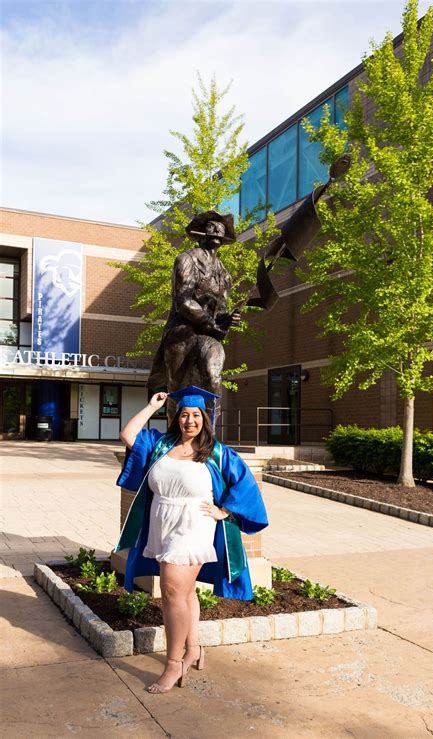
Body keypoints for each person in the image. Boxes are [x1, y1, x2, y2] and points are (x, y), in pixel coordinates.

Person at [115, 385, 268, 695]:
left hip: (194, 524)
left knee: (171, 589)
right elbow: (128, 434)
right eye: (184, 415)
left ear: (204, 419)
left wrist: (225, 511)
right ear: (176, 418)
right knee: (184, 593)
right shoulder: (159, 445)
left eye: (196, 415)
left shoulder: (216, 453)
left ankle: (174, 663)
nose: (189, 421)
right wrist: (151, 407)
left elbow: (246, 484)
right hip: (162, 524)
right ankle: (194, 648)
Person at [146, 211, 241, 422]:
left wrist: (227, 319)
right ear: (200, 233)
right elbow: (184, 302)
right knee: (177, 389)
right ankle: (172, 436)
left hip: (208, 336)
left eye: (220, 227)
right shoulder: (185, 260)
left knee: (213, 374)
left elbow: (221, 310)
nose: (216, 229)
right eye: (211, 226)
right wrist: (210, 323)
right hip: (182, 333)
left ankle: (210, 436)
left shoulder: (224, 274)